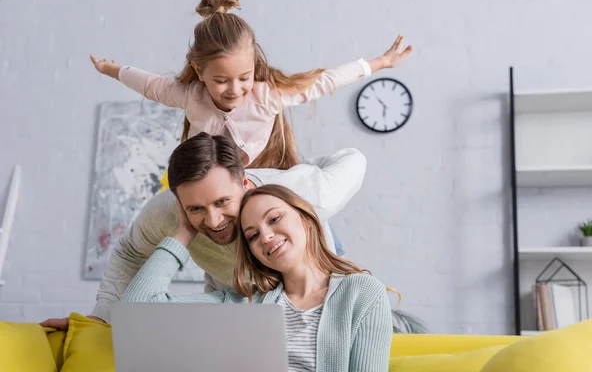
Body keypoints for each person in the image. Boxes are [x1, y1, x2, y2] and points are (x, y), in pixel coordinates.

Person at [41, 132, 366, 328]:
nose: (212, 221)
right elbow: (129, 255)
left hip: (312, 281)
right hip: (235, 290)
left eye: (223, 201)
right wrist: (100, 318)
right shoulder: (166, 213)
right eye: (195, 208)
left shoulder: (302, 191)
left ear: (245, 182)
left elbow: (353, 158)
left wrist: (304, 165)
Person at [90, 0, 412, 169]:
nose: (235, 90)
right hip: (217, 177)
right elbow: (149, 84)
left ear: (253, 66)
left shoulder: (265, 95)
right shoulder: (191, 96)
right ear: (199, 71)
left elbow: (324, 81)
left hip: (266, 171)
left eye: (243, 77)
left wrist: (381, 62)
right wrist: (111, 70)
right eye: (221, 81)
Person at [121, 184, 393, 372]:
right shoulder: (244, 304)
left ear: (306, 219)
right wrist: (183, 232)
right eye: (252, 235)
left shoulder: (361, 294)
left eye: (274, 219)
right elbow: (137, 309)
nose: (266, 236)